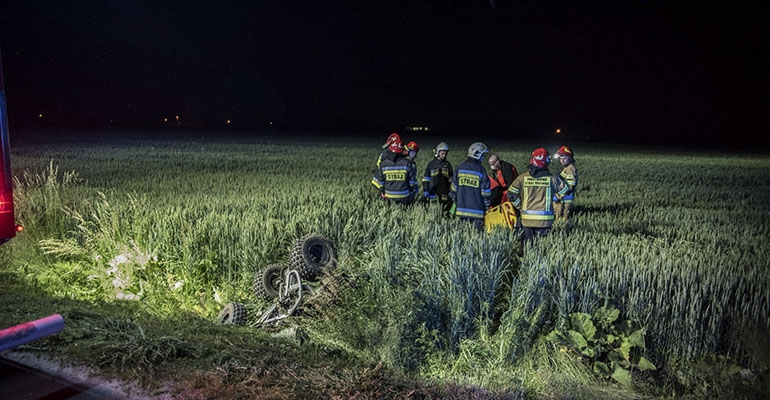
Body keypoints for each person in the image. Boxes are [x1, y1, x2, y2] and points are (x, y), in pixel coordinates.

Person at [507, 148, 568, 242]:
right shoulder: (552, 179)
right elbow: (565, 190)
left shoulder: (523, 178)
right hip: (545, 222)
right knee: (542, 249)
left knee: (528, 248)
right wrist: (556, 197)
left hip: (527, 221)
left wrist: (520, 206)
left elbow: (511, 194)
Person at [451, 142, 491, 231]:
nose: (483, 158)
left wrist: (456, 201)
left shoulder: (460, 168)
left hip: (461, 211)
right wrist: (487, 206)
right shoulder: (481, 170)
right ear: (477, 154)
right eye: (482, 155)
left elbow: (453, 190)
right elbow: (486, 192)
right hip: (477, 212)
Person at [372, 136, 417, 205]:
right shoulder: (407, 164)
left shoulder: (384, 163)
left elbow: (381, 181)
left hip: (388, 195)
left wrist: (382, 192)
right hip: (404, 196)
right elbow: (412, 182)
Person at [422, 142, 453, 211]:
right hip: (432, 193)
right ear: (438, 153)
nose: (444, 155)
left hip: (444, 193)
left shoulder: (448, 165)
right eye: (442, 153)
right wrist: (425, 190)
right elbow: (426, 178)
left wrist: (451, 191)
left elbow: (451, 180)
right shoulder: (431, 164)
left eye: (445, 154)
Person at [553, 145, 578, 220]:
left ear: (570, 158)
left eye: (565, 158)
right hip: (562, 199)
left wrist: (558, 196)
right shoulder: (566, 168)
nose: (562, 160)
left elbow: (570, 187)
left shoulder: (570, 169)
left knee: (561, 219)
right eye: (560, 158)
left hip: (564, 200)